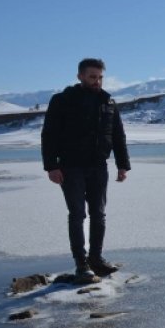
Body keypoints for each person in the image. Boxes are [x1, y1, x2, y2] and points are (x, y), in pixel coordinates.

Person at [41, 58, 131, 282]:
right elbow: (49, 135)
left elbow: (118, 135)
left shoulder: (107, 102)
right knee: (78, 215)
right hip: (70, 167)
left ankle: (96, 259)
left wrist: (122, 165)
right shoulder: (63, 100)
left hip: (99, 166)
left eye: (100, 77)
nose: (97, 81)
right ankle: (81, 264)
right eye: (92, 76)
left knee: (99, 214)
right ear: (80, 76)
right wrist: (52, 166)